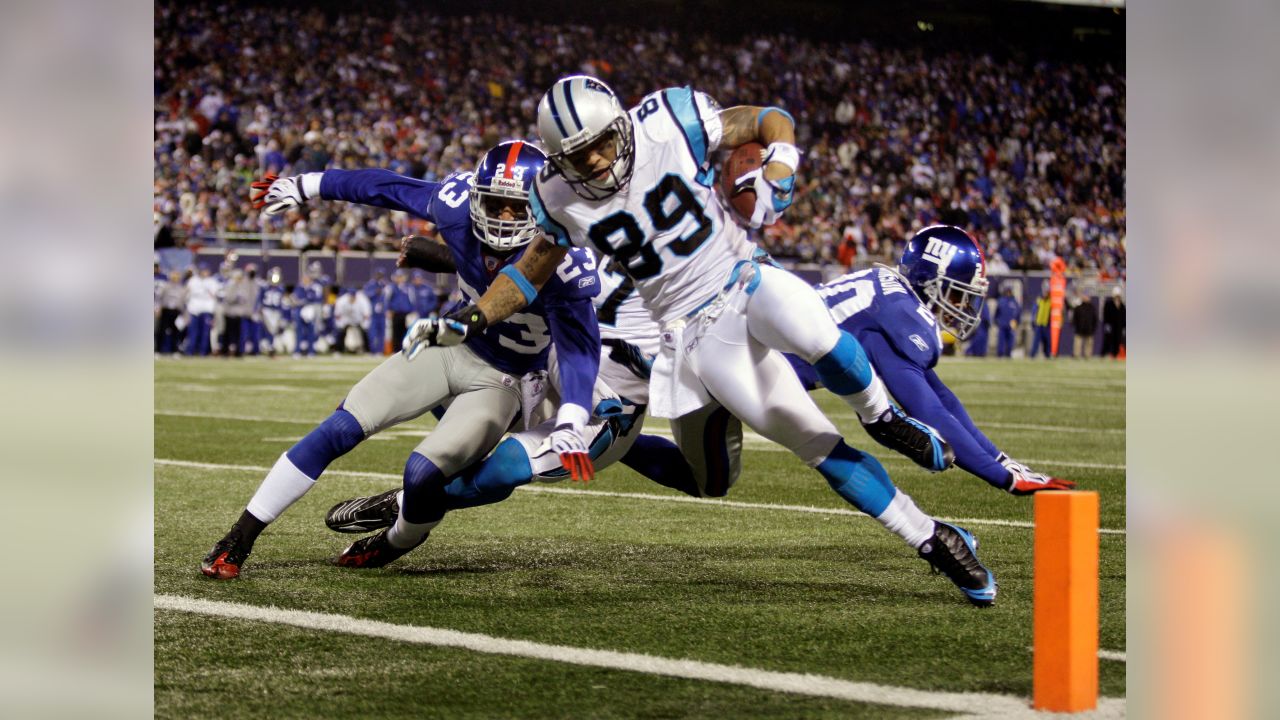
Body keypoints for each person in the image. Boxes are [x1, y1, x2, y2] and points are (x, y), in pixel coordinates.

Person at [405, 76, 995, 606]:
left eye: (603, 143)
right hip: (686, 342)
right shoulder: (556, 198)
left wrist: (780, 166)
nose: (597, 161)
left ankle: (895, 450)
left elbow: (767, 119)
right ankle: (930, 523)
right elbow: (530, 272)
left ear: (621, 123)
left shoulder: (668, 120)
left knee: (813, 346)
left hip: (740, 288)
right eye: (578, 157)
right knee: (759, 464)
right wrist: (475, 317)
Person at [201, 140, 601, 579]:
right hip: (449, 345)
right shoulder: (456, 207)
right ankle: (238, 538)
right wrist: (307, 184)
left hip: (504, 379)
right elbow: (386, 187)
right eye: (494, 204)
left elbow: (581, 348)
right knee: (341, 426)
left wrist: (573, 416)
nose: (503, 218)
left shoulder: (564, 260)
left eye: (516, 207)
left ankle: (395, 541)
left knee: (423, 473)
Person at [788, 226, 1076, 496]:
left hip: (776, 366)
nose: (963, 305)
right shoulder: (897, 312)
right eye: (957, 292)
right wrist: (1003, 478)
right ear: (928, 281)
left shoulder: (891, 294)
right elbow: (929, 412)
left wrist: (1003, 461)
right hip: (766, 366)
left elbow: (942, 398)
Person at [183, 263, 219, 356]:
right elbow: (186, 294)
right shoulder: (193, 280)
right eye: (203, 270)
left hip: (207, 309)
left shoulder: (212, 281)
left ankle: (203, 352)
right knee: (192, 332)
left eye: (206, 270)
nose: (204, 272)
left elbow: (214, 296)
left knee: (205, 332)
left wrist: (214, 312)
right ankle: (190, 351)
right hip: (194, 309)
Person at [256, 267, 289, 356]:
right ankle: (267, 346)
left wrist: (284, 314)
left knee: (273, 329)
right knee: (268, 329)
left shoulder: (281, 288)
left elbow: (282, 302)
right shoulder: (265, 287)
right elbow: (259, 299)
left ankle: (270, 345)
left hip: (276, 311)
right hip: (267, 310)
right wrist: (257, 309)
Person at [291, 274, 322, 357]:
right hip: (299, 310)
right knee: (299, 332)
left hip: (309, 311)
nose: (305, 281)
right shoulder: (299, 288)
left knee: (311, 332)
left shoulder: (313, 288)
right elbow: (295, 299)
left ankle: (311, 351)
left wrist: (304, 301)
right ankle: (297, 351)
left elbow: (315, 299)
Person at [333, 287, 372, 353]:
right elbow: (337, 315)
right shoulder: (341, 301)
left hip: (359, 319)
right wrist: (339, 324)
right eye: (351, 296)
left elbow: (367, 315)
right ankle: (338, 350)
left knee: (365, 333)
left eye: (353, 296)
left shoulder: (362, 300)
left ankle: (367, 350)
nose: (352, 297)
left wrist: (365, 324)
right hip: (346, 319)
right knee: (340, 333)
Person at [386, 269, 414, 348]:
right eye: (398, 277)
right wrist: (388, 310)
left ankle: (406, 348)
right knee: (396, 332)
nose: (399, 279)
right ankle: (396, 350)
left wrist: (413, 311)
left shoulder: (409, 287)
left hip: (406, 313)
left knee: (406, 331)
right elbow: (387, 300)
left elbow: (412, 300)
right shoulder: (391, 287)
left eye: (401, 277)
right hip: (395, 313)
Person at [363, 270, 388, 355]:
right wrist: (375, 292)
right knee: (372, 333)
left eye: (381, 275)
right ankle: (372, 350)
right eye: (378, 274)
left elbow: (387, 298)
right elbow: (366, 295)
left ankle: (380, 351)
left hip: (382, 313)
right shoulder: (370, 284)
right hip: (373, 313)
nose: (380, 276)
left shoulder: (384, 284)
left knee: (382, 333)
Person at [1028, 284, 1053, 359]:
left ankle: (1047, 355)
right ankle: (1032, 355)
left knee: (1047, 341)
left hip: (1046, 324)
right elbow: (1034, 311)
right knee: (1036, 341)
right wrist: (1033, 320)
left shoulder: (1051, 301)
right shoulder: (1039, 300)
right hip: (1039, 323)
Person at [994, 286, 1019, 358]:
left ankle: (1008, 354)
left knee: (1010, 341)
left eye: (1009, 291)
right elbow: (997, 312)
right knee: (1001, 341)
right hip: (1002, 324)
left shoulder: (1015, 302)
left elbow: (1018, 314)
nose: (1008, 293)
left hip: (1011, 325)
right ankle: (1000, 355)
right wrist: (996, 321)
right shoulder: (1001, 300)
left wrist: (1017, 322)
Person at [1071, 292, 1098, 359]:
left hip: (1089, 329)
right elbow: (1075, 318)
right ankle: (1076, 355)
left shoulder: (1092, 308)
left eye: (1087, 296)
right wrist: (1076, 325)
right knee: (1077, 343)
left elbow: (1095, 319)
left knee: (1089, 343)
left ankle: (1087, 356)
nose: (1086, 298)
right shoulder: (1078, 307)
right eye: (1085, 296)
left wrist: (1093, 328)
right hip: (1079, 328)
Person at [1102, 286, 1125, 357]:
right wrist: (1106, 324)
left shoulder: (1122, 305)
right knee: (1108, 341)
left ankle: (1115, 355)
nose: (1117, 297)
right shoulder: (1108, 304)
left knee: (1117, 341)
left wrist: (1124, 326)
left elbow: (1124, 317)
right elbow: (1105, 314)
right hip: (1111, 326)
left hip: (1119, 327)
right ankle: (1103, 355)